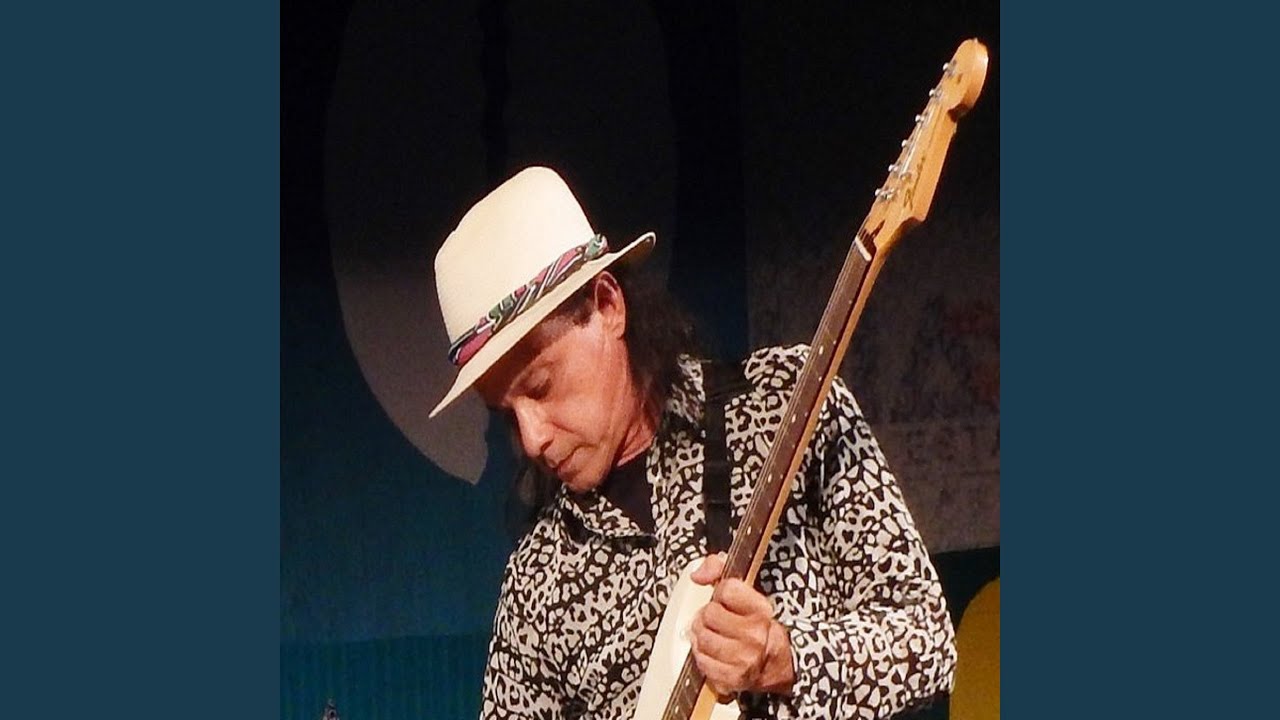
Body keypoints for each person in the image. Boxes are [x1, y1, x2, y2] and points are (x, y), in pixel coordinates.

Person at [429, 166, 956, 719]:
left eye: (541, 387)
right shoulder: (538, 581)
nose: (532, 438)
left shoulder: (786, 402)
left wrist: (787, 657)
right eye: (507, 415)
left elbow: (927, 643)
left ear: (607, 306)